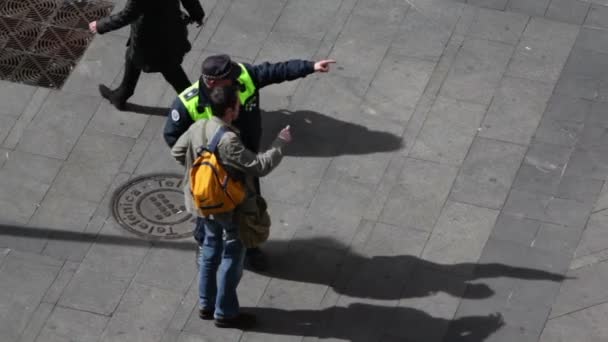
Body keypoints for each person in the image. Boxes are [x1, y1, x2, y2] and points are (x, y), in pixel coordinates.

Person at [164, 54, 335, 270]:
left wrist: (310, 66)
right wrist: (198, 162)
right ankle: (203, 246)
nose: (237, 80)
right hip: (211, 172)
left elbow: (275, 71)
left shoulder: (244, 76)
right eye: (230, 79)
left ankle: (251, 249)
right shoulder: (188, 103)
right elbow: (172, 136)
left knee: (249, 209)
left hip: (244, 163)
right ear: (212, 82)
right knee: (207, 212)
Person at [171, 85, 291, 328]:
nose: (239, 107)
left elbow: (177, 151)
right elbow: (259, 167)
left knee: (208, 250)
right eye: (236, 104)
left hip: (200, 202)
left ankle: (206, 304)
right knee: (232, 256)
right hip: (226, 206)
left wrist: (200, 171)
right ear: (229, 111)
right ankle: (225, 312)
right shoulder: (228, 140)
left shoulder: (198, 126)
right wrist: (281, 142)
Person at [88, 0, 205, 110]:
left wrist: (100, 25)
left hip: (151, 38)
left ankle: (198, 107)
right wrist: (197, 14)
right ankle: (121, 95)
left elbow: (127, 15)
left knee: (174, 74)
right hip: (171, 27)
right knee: (132, 56)